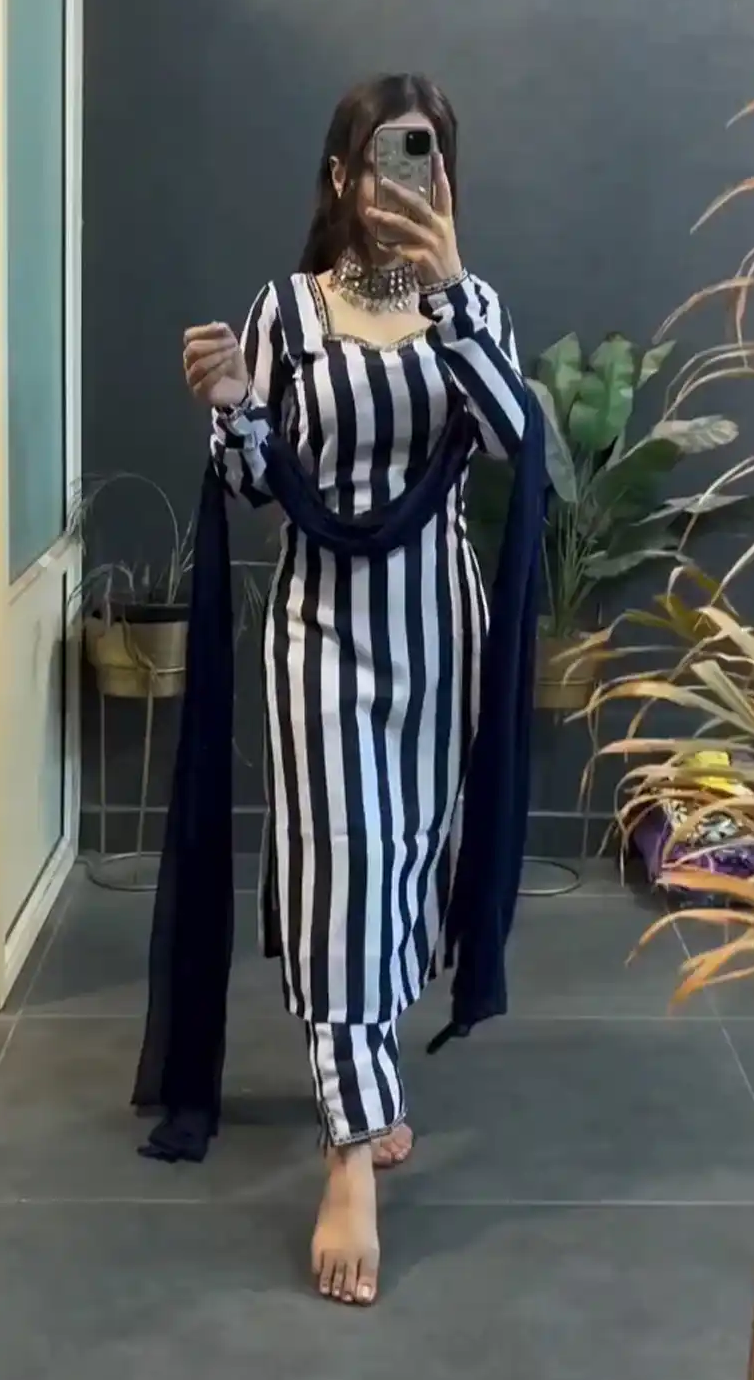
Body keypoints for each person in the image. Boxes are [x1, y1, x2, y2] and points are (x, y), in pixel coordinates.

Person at [172, 73, 538, 1309]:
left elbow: (513, 444)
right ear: (339, 177)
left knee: (406, 866)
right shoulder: (287, 311)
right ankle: (350, 1153)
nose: (400, 185)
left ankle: (365, 1074)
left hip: (438, 639)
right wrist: (234, 407)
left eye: (424, 159)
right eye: (382, 160)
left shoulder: (470, 304)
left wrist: (450, 292)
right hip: (322, 632)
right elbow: (256, 480)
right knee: (341, 869)